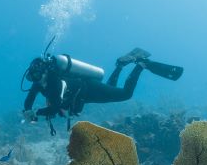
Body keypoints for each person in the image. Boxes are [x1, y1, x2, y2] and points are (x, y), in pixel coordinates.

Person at [23, 48, 183, 134]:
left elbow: (56, 107)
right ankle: (120, 66)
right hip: (84, 94)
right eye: (33, 76)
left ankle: (141, 65)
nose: (35, 79)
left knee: (125, 94)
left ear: (45, 71)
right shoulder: (39, 82)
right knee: (110, 90)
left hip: (89, 89)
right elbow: (29, 99)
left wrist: (36, 113)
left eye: (37, 74)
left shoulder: (55, 81)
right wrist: (27, 110)